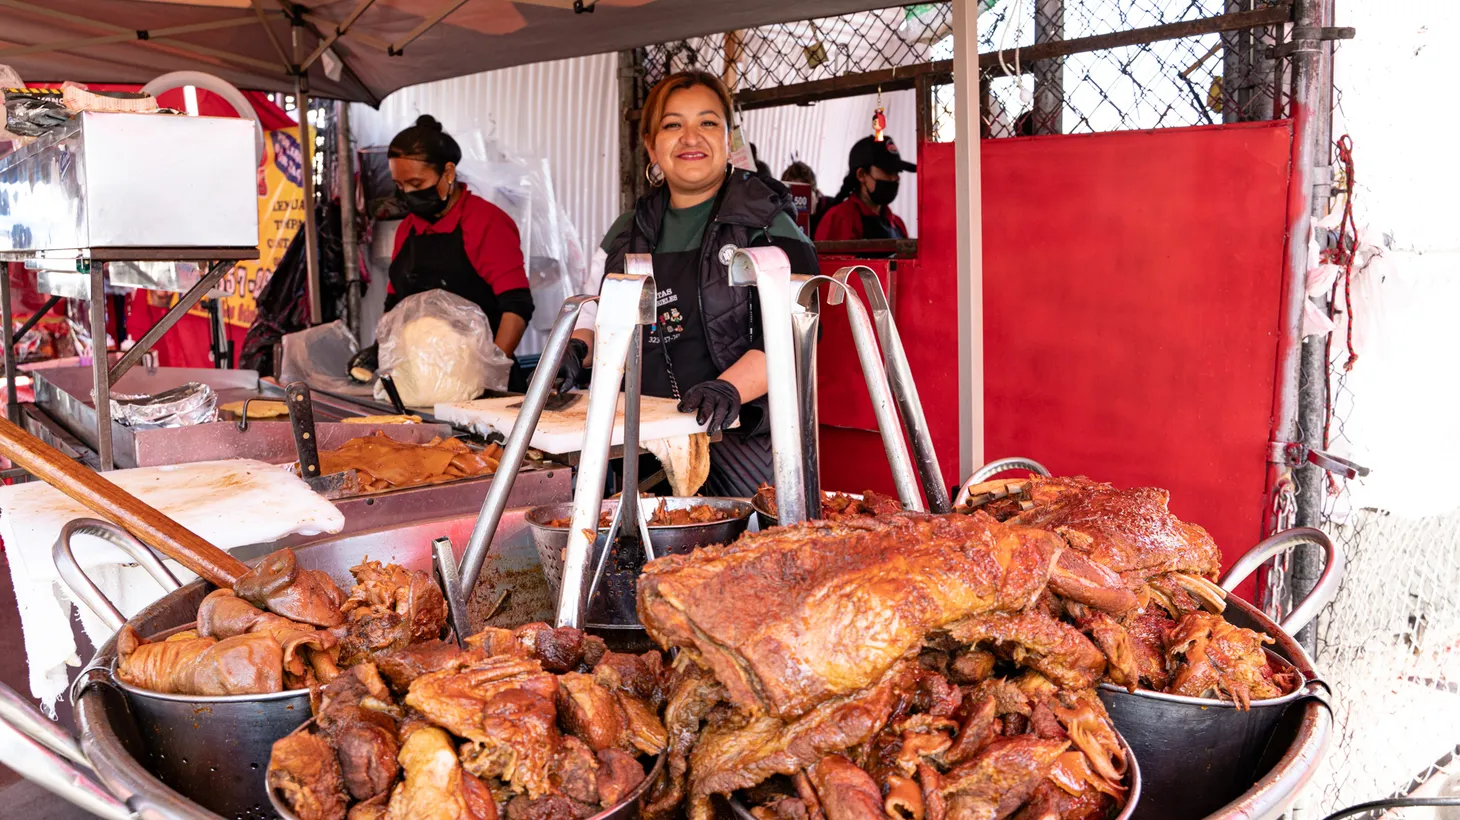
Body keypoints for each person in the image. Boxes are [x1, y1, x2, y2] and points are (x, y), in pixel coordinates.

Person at [559, 71, 819, 496]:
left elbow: (798, 327)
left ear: (729, 138)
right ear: (651, 145)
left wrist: (729, 388)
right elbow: (595, 310)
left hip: (743, 442)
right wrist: (576, 349)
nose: (690, 137)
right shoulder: (628, 231)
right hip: (644, 441)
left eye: (708, 123)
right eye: (672, 124)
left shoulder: (769, 222)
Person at [385, 115, 534, 361]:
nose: (408, 194)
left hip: (480, 382)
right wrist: (381, 349)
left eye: (415, 183)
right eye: (400, 186)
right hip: (417, 378)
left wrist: (491, 369)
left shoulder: (486, 221)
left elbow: (516, 306)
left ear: (448, 172)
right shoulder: (407, 229)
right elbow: (394, 305)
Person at [814, 135, 917, 241]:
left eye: (897, 172)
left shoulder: (897, 224)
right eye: (888, 171)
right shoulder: (839, 220)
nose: (895, 178)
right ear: (861, 175)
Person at [780, 160, 831, 238]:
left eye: (802, 196)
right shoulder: (780, 214)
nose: (797, 202)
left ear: (817, 195)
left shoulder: (830, 211)